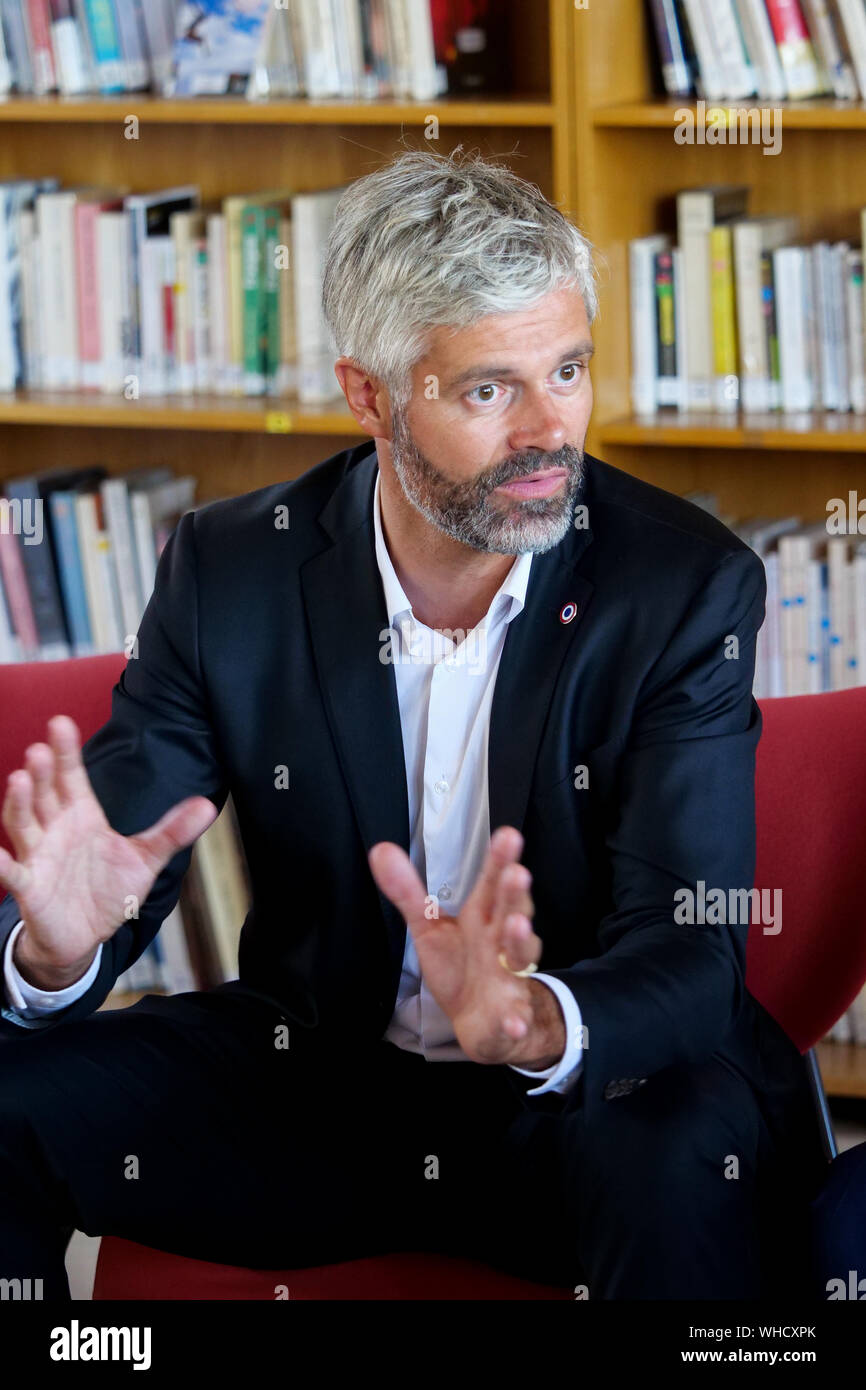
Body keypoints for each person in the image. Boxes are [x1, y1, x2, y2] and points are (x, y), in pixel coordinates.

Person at [0, 150, 825, 1301]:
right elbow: (122, 840)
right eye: (488, 389)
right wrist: (56, 949)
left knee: (676, 1141)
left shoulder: (681, 588)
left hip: (584, 1095)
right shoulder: (230, 569)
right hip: (326, 1082)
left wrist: (531, 1017)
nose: (550, 432)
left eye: (569, 369)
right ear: (370, 394)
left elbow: (691, 949)